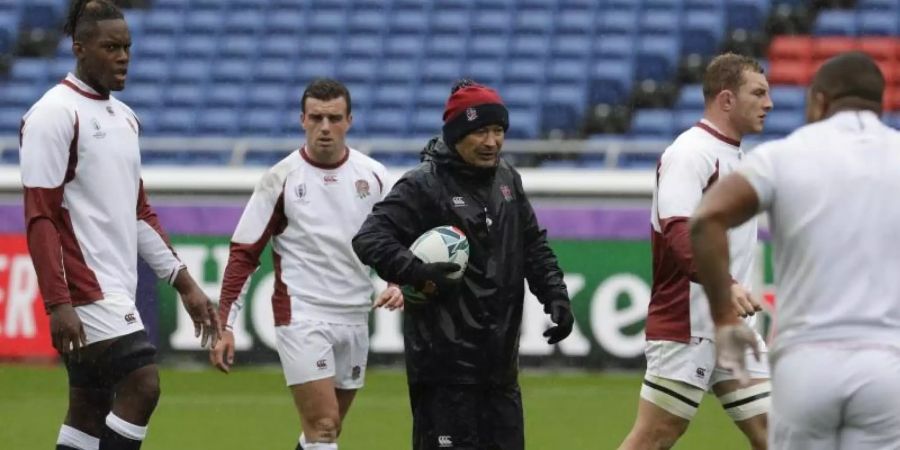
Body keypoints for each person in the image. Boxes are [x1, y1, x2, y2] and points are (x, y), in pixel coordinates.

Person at [19, 2, 219, 450]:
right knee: (143, 384)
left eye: (127, 46)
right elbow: (40, 216)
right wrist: (57, 303)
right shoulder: (54, 114)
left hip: (116, 283)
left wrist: (185, 284)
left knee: (88, 410)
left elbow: (139, 212)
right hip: (83, 288)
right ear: (79, 48)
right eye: (110, 47)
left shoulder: (125, 118)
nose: (123, 56)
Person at [691, 51, 900, 450]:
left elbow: (706, 220)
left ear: (819, 100)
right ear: (880, 102)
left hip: (806, 363)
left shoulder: (783, 156)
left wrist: (723, 320)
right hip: (887, 365)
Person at [352, 79, 574, 450]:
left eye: (498, 130)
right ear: (456, 134)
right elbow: (369, 239)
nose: (492, 141)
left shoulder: (507, 180)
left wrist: (555, 294)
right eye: (480, 131)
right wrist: (417, 272)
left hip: (500, 368)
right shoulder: (423, 185)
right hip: (444, 372)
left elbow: (532, 243)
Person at [210, 78, 402, 450]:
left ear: (350, 120)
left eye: (334, 118)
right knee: (324, 425)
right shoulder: (279, 179)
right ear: (302, 120)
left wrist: (397, 282)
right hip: (302, 314)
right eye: (316, 118)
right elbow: (244, 252)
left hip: (355, 315)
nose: (325, 128)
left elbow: (394, 241)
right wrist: (225, 324)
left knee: (324, 431)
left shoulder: (375, 177)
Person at [618, 53, 774, 450]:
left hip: (732, 327)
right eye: (758, 93)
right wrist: (725, 283)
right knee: (654, 438)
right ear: (726, 100)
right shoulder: (690, 153)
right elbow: (679, 231)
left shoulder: (736, 157)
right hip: (689, 326)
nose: (768, 104)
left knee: (779, 434)